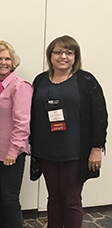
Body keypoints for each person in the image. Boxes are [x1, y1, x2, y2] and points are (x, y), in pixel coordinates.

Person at [30, 35, 108, 227]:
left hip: (74, 151)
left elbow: (100, 116)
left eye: (69, 52)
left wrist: (96, 147)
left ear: (75, 56)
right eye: (58, 52)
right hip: (46, 150)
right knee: (54, 198)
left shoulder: (86, 80)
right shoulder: (40, 80)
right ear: (50, 55)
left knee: (71, 199)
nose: (63, 56)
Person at [0, 40, 33, 228]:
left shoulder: (20, 86)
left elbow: (22, 123)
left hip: (10, 154)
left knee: (10, 200)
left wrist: (13, 151)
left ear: (13, 62)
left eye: (7, 59)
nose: (3, 62)